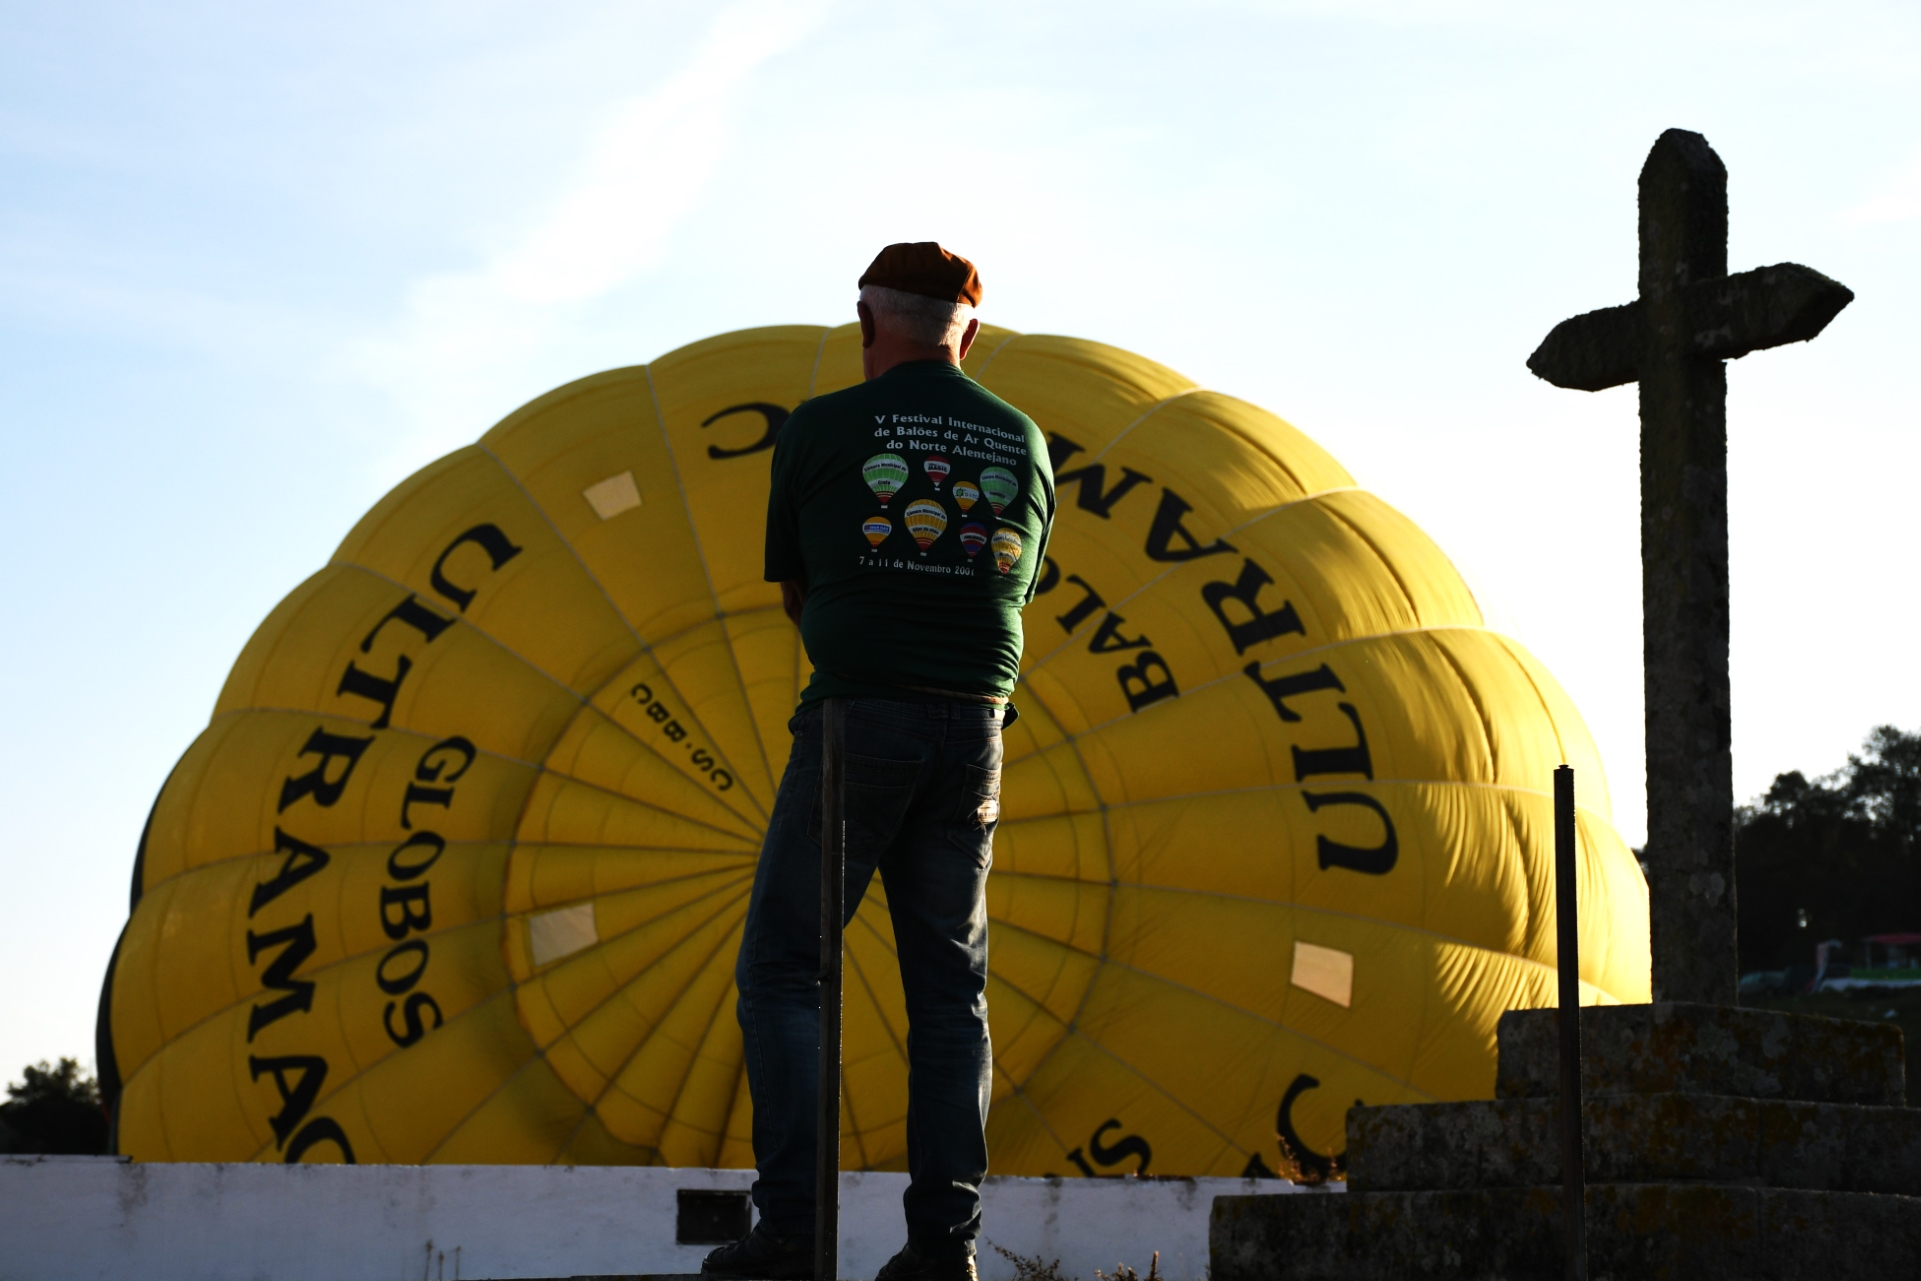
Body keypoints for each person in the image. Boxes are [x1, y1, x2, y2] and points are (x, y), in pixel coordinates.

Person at [703, 243, 1056, 1281]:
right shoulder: (1021, 439)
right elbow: (1015, 588)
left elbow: (797, 588)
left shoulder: (821, 429)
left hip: (858, 723)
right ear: (971, 334)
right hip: (978, 730)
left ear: (866, 324)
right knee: (951, 995)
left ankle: (796, 1230)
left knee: (784, 969)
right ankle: (945, 1249)